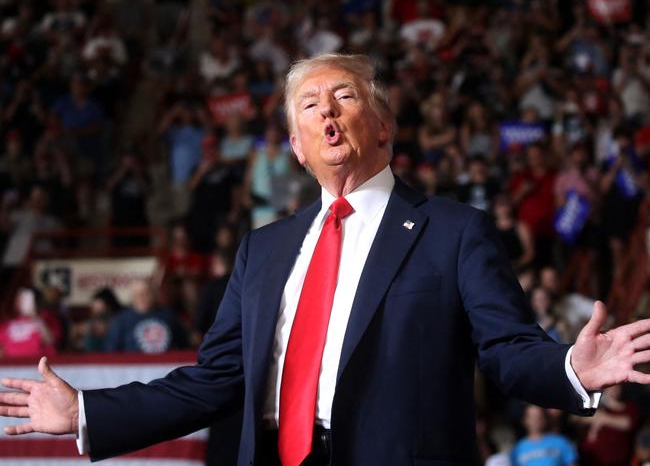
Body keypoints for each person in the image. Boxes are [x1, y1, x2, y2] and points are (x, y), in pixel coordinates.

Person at [3, 54, 650, 466]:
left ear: (383, 126)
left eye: (344, 97)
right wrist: (87, 412)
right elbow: (214, 379)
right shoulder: (264, 247)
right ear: (296, 145)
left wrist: (571, 368)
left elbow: (507, 349)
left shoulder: (454, 232)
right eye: (310, 106)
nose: (328, 113)